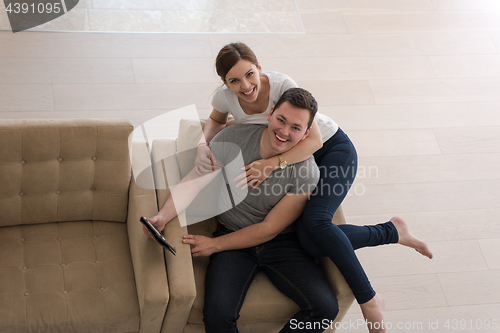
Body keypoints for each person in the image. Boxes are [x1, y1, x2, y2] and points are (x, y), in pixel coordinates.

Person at [145, 88, 430, 333]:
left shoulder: (306, 171)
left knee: (325, 309)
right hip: (234, 238)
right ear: (269, 115)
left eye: (295, 128)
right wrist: (162, 216)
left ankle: (390, 232)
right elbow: (194, 182)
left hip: (282, 242)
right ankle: (391, 231)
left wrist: (215, 245)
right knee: (218, 316)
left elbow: (270, 228)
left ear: (307, 133)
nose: (284, 132)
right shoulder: (233, 139)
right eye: (280, 120)